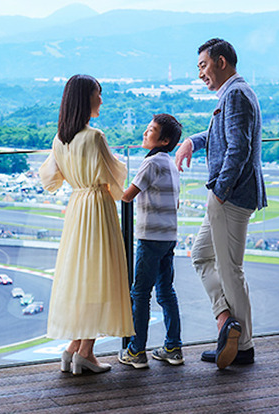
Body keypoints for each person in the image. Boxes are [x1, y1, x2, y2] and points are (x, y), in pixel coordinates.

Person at [174, 38, 267, 369]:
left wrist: (220, 191)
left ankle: (242, 346)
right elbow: (220, 134)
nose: (200, 73)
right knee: (201, 255)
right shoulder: (232, 93)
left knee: (231, 271)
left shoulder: (236, 94)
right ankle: (227, 322)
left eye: (203, 65)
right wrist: (191, 142)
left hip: (230, 197)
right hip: (226, 196)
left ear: (222, 61)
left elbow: (237, 150)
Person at [39, 74, 134, 375]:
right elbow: (114, 174)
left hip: (77, 209)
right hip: (97, 207)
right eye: (98, 93)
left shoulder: (59, 139)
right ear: (86, 98)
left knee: (80, 276)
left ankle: (73, 349)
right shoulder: (94, 137)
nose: (101, 99)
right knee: (100, 277)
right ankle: (86, 352)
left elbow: (50, 179)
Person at [117, 114, 184, 369]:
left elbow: (127, 196)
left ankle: (136, 351)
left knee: (140, 293)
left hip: (149, 237)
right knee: (166, 292)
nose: (146, 132)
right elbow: (175, 202)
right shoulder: (171, 164)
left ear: (164, 140)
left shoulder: (150, 163)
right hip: (169, 237)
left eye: (151, 130)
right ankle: (173, 347)